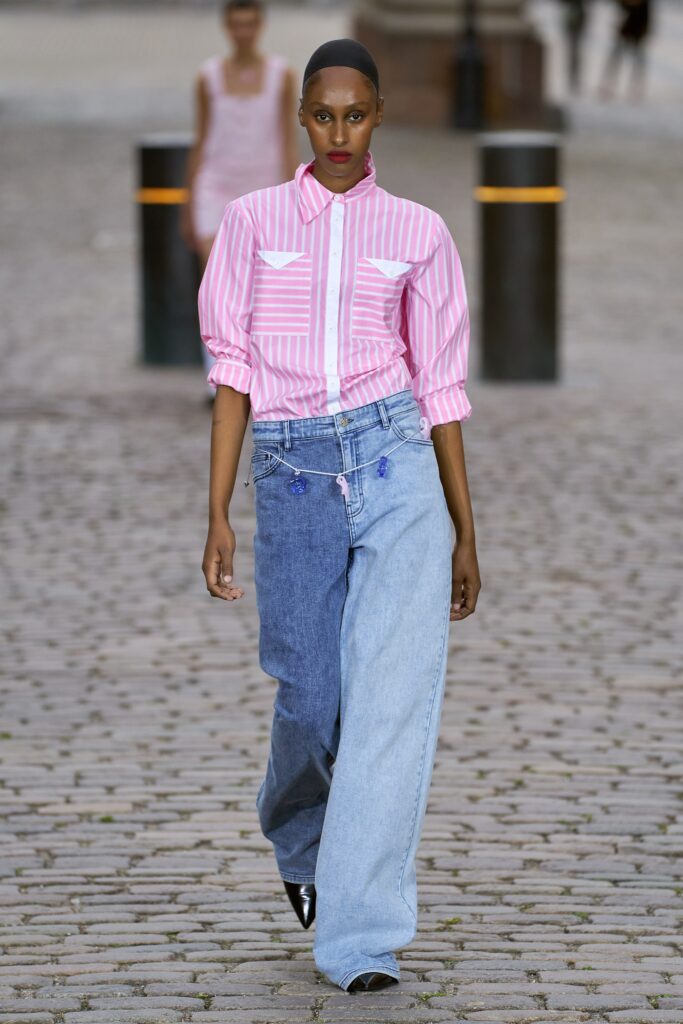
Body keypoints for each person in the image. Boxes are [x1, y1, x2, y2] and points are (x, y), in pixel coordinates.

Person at [198, 38, 481, 994]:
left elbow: (439, 388)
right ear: (302, 119)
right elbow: (231, 372)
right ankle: (297, 831)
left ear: (378, 116)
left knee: (389, 708)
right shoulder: (251, 222)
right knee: (311, 699)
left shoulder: (418, 231)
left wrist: (463, 528)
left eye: (355, 114)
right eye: (323, 114)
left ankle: (360, 938)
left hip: (397, 459)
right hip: (291, 472)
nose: (339, 132)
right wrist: (218, 510)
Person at [182, 0, 300, 401]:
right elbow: (201, 139)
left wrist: (296, 195)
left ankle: (261, 372)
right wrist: (188, 200)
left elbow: (288, 139)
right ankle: (218, 378)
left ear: (260, 25)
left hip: (263, 190)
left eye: (250, 24)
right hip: (215, 188)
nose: (244, 32)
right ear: (227, 27)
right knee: (215, 286)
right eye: (237, 24)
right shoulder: (209, 77)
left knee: (261, 289)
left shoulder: (281, 75)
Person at [599, 0, 652, 101]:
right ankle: (608, 85)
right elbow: (621, 8)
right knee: (615, 60)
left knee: (637, 64)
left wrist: (644, 31)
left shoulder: (644, 5)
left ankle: (636, 89)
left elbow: (646, 17)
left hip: (637, 33)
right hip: (625, 31)